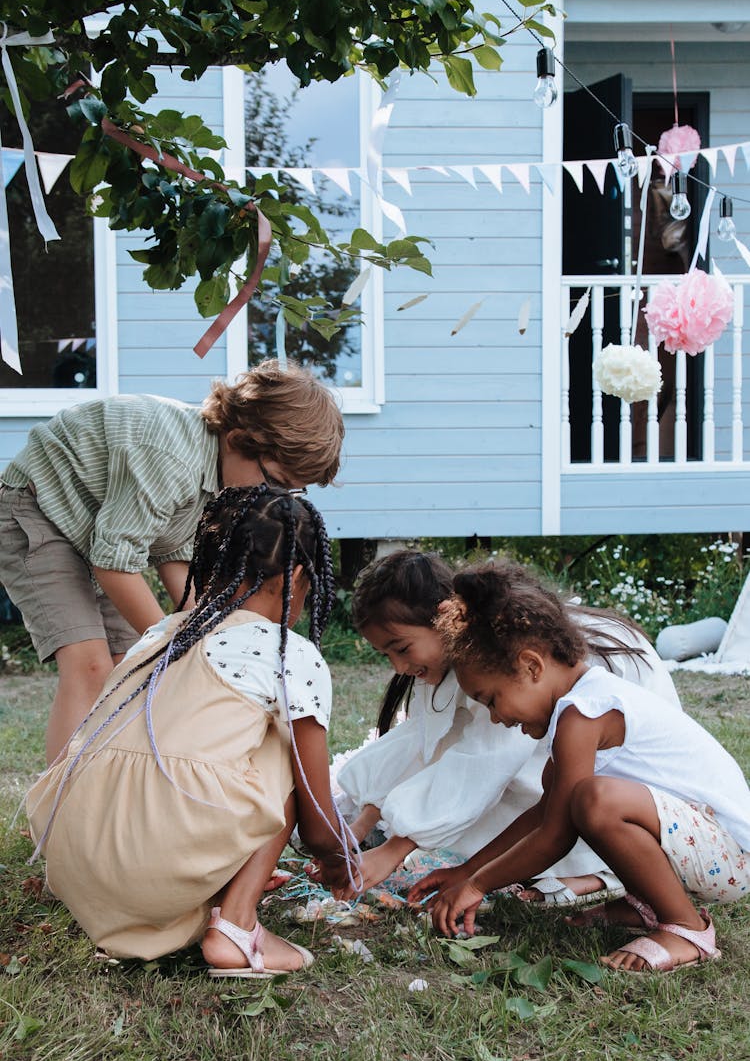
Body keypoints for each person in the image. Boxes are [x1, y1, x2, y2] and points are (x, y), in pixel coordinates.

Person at [26, 485, 359, 977]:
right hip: (155, 865)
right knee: (285, 744)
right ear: (296, 578)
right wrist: (337, 859)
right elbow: (314, 811)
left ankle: (210, 894)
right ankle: (236, 926)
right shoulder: (286, 653)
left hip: (76, 865)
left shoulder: (161, 634)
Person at [409, 561, 750, 974]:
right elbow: (543, 816)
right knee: (578, 798)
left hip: (732, 856)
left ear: (532, 666)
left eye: (492, 699)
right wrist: (465, 871)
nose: (496, 718)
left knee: (594, 800)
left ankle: (686, 928)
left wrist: (479, 885)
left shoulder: (584, 714)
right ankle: (643, 904)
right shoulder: (576, 711)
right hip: (704, 849)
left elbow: (556, 835)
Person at [0, 359, 344, 763]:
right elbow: (114, 565)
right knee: (89, 665)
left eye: (290, 492)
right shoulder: (172, 461)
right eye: (274, 482)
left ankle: (103, 782)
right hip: (37, 509)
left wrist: (207, 633)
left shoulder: (222, 479)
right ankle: (58, 814)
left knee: (125, 666)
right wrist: (176, 647)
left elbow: (174, 558)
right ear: (237, 440)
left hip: (95, 531)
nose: (273, 499)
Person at [335, 549, 680, 904]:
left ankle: (593, 873)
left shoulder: (502, 656)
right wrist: (362, 824)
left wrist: (398, 847)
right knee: (451, 824)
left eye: (402, 648)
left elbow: (486, 760)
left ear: (443, 619)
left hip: (643, 797)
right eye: (387, 655)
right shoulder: (465, 655)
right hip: (583, 770)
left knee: (467, 831)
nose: (399, 666)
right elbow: (425, 740)